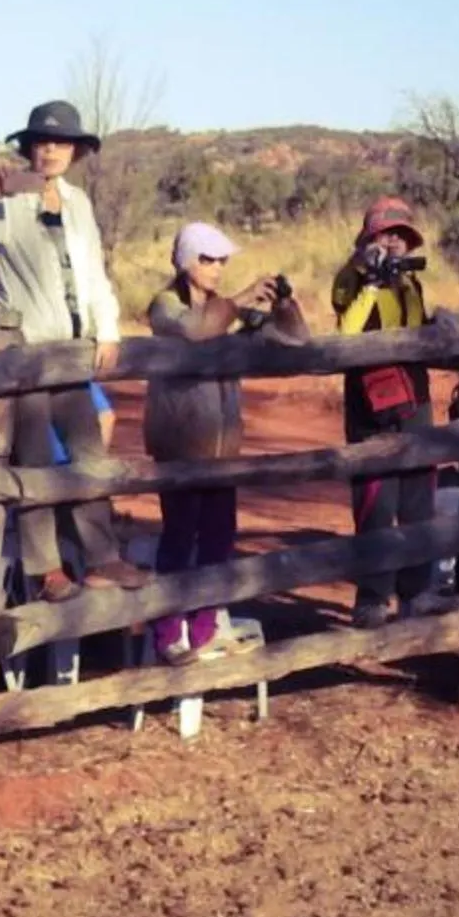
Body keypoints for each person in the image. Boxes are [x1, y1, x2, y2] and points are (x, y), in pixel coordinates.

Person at [0, 99, 149, 603]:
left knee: (88, 456)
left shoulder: (79, 203)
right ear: (30, 149)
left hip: (71, 353)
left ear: (75, 151)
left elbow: (93, 272)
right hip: (28, 355)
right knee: (34, 462)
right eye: (43, 142)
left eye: (61, 143)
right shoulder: (7, 202)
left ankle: (102, 558)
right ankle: (45, 570)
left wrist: (108, 329)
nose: (51, 151)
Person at [143, 222, 310, 663]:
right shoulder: (165, 307)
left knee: (218, 541)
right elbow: (196, 331)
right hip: (178, 446)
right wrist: (239, 301)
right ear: (186, 262)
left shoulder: (228, 312)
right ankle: (168, 632)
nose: (216, 268)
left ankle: (203, 630)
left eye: (221, 260)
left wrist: (283, 304)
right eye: (207, 259)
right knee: (179, 539)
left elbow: (295, 340)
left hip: (223, 451)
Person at [333, 196, 455, 629]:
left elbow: (417, 331)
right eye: (388, 235)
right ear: (369, 238)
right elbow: (347, 333)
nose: (396, 243)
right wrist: (371, 284)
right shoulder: (349, 278)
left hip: (413, 396)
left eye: (403, 236)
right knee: (375, 503)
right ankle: (372, 599)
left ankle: (416, 593)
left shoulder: (409, 281)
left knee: (419, 497)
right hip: (371, 399)